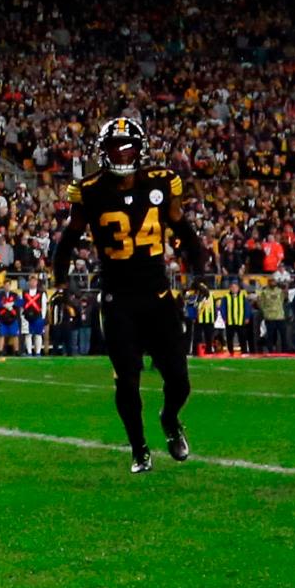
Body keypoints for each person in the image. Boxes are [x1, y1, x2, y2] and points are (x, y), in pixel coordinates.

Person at [52, 115, 206, 474]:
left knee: (180, 381)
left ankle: (169, 419)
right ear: (103, 152)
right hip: (117, 299)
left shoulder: (162, 183)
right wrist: (60, 283)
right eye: (114, 148)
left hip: (158, 295)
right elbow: (67, 242)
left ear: (140, 150)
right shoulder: (89, 190)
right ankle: (139, 448)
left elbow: (186, 232)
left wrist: (197, 275)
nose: (122, 154)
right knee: (128, 379)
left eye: (128, 147)